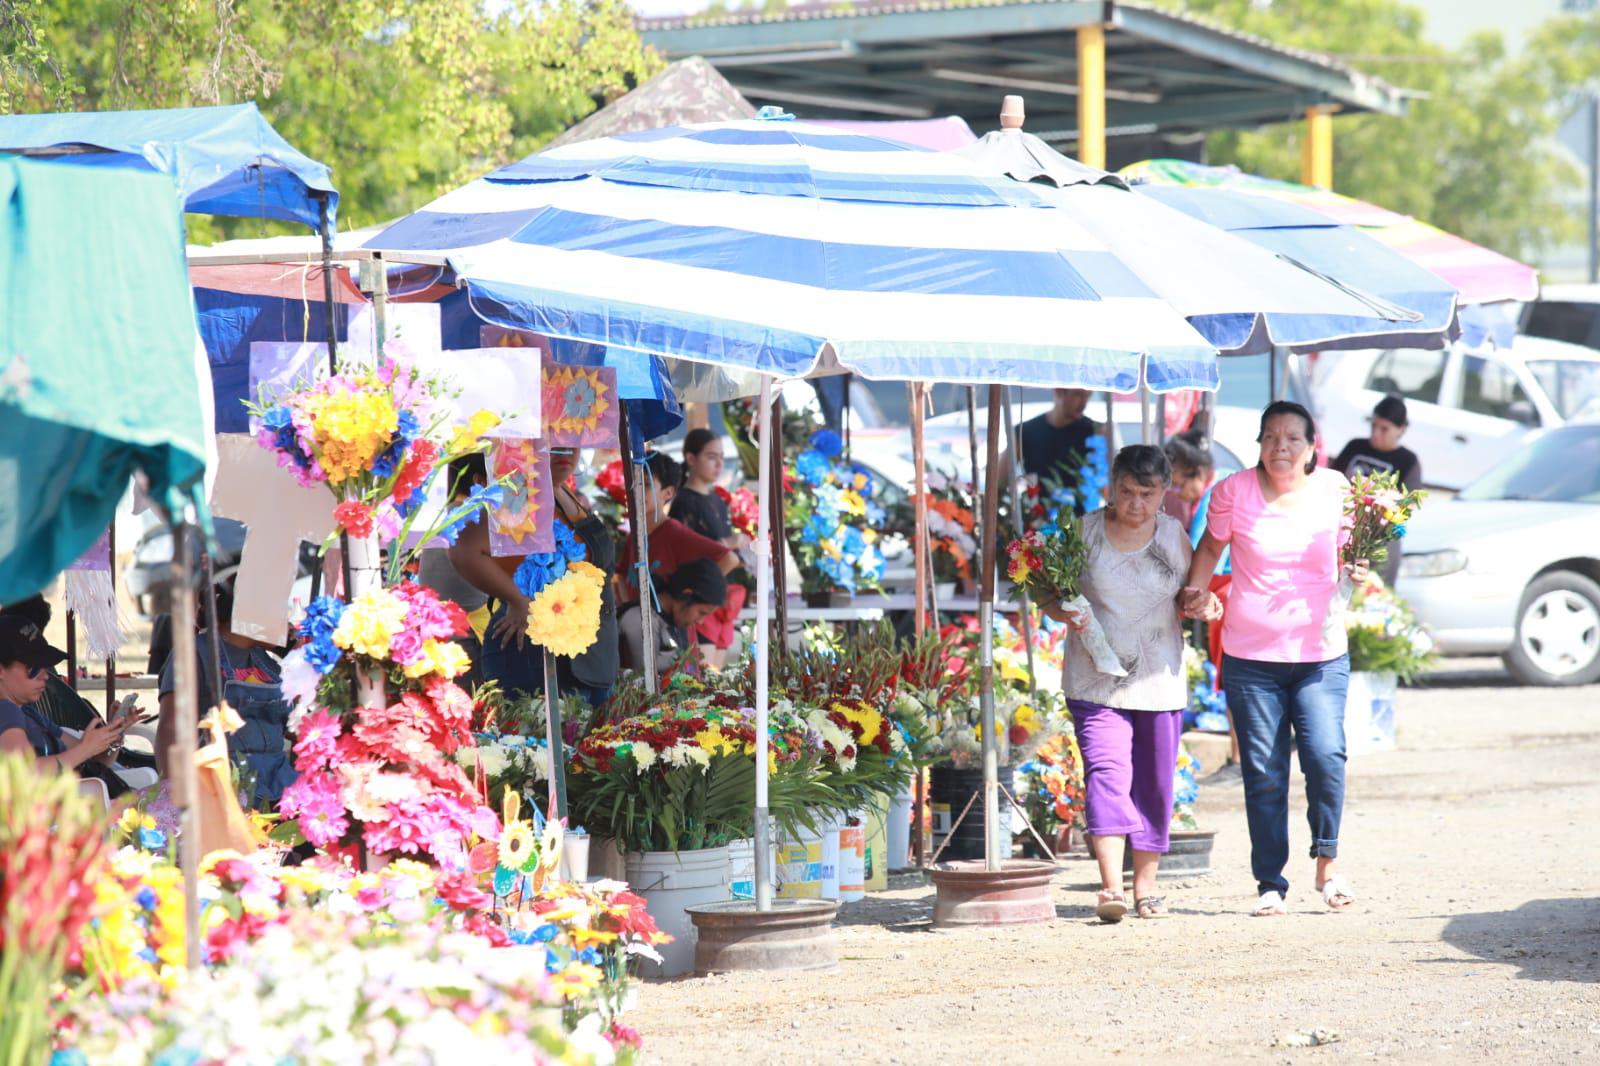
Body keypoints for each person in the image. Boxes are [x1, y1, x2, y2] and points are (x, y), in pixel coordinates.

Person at [1182, 401, 1366, 918]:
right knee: (1263, 769)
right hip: (1251, 657)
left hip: (1321, 654)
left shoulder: (1336, 491)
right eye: (1270, 438)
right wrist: (1193, 595)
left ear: (1311, 449)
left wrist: (1362, 568)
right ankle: (1270, 881)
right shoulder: (1233, 492)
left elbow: (1357, 554)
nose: (1280, 447)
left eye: (1292, 439)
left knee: (1326, 754)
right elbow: (1207, 550)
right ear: (1259, 445)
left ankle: (1327, 863)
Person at [1043, 445, 1216, 922]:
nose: (1135, 503)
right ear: (1110, 487)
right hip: (1095, 679)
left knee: (1155, 784)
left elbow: (1189, 596)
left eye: (1147, 493)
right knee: (1107, 774)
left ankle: (1147, 889)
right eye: (1126, 492)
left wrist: (1203, 605)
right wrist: (1064, 611)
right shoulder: (1083, 533)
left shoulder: (1174, 536)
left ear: (1165, 493)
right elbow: (1048, 590)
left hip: (1159, 679)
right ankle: (1110, 887)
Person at [453, 448, 620, 708]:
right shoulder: (516, 490)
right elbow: (462, 547)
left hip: (592, 657)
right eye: (553, 443)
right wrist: (517, 600)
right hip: (535, 654)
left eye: (570, 442)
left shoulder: (560, 489)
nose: (565, 452)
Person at [156, 581, 291, 808]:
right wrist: (174, 790)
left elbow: (292, 725)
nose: (286, 622)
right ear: (250, 613)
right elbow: (170, 726)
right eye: (279, 612)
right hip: (224, 789)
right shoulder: (194, 652)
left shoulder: (265, 660)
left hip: (279, 788)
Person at [0, 614, 138, 797]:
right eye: (33, 667)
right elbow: (24, 774)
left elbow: (95, 762)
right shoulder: (6, 711)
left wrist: (113, 735)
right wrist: (86, 749)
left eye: (46, 666)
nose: (45, 675)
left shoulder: (28, 714)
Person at [671, 429, 751, 669]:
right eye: (711, 456)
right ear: (691, 458)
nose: (718, 464)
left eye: (721, 457)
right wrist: (729, 544)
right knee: (703, 677)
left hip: (723, 596)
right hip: (700, 599)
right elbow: (685, 553)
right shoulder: (684, 501)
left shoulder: (717, 500)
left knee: (718, 680)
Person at [616, 451, 738, 608]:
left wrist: (686, 598)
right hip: (638, 629)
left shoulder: (674, 533)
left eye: (645, 484)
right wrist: (630, 611)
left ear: (668, 493)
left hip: (667, 630)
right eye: (631, 483)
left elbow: (729, 559)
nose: (635, 490)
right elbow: (621, 574)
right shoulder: (635, 534)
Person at [1330, 394, 1420, 586]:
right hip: (1339, 530)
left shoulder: (1408, 461)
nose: (1376, 433)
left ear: (1401, 429)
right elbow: (1331, 481)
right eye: (1373, 426)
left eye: (1384, 429)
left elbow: (1408, 504)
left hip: (1379, 541)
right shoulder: (1355, 446)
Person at [618, 559, 728, 677]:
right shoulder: (639, 619)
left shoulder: (676, 621)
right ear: (686, 595)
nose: (700, 621)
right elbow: (642, 681)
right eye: (701, 612)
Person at [1008, 388, 1100, 506]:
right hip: (1039, 517)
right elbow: (999, 479)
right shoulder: (1026, 431)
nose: (1084, 403)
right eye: (1078, 395)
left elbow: (1110, 482)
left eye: (1088, 396)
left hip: (1081, 518)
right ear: (1059, 391)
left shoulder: (1094, 432)